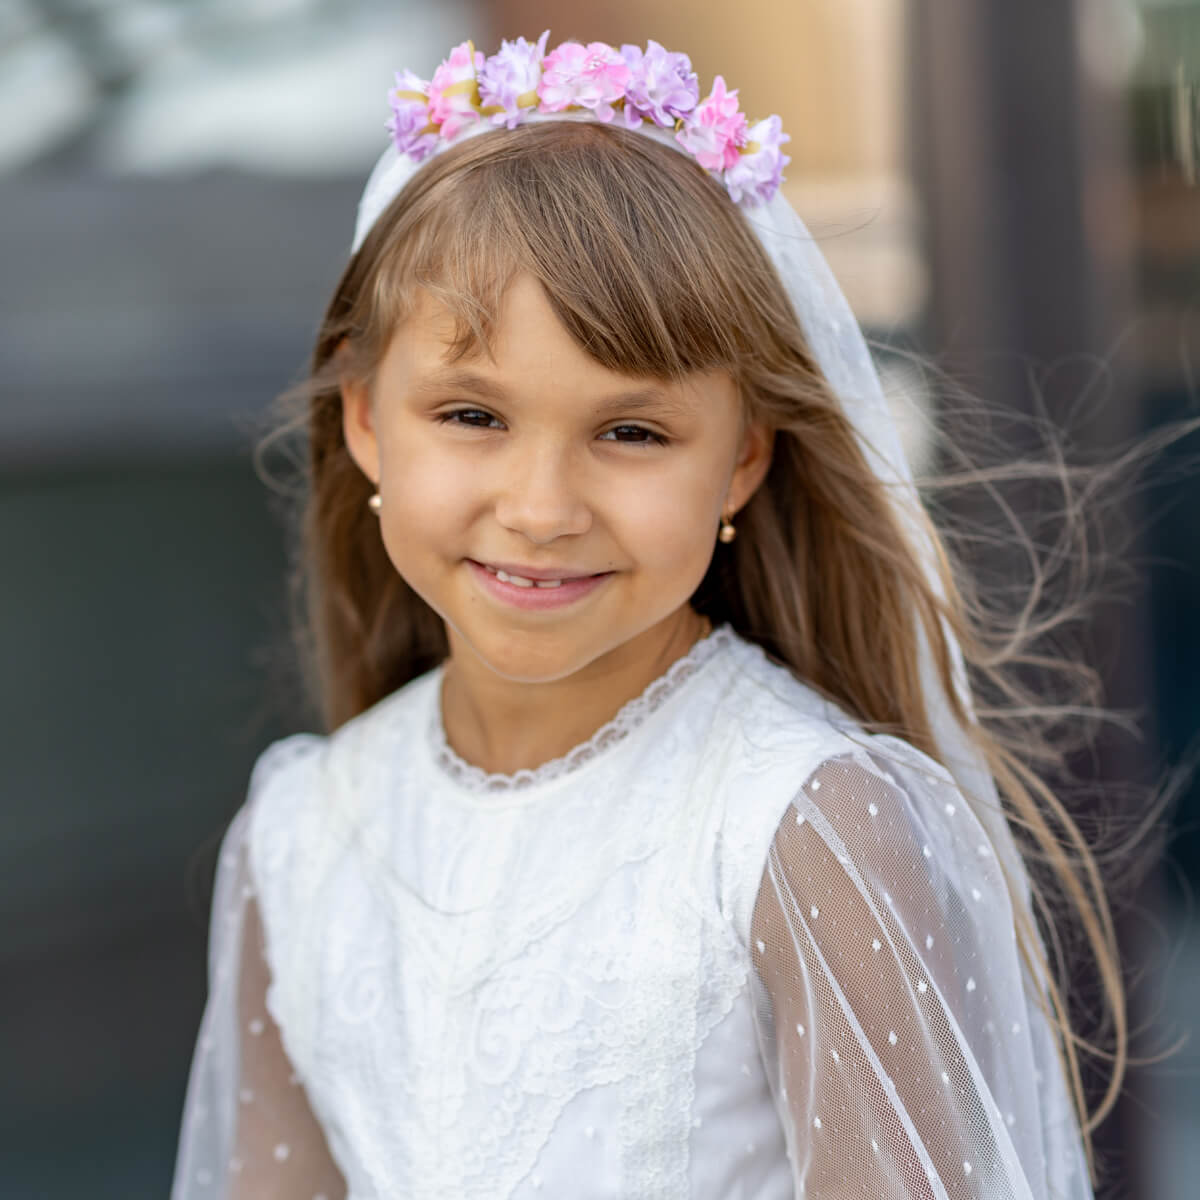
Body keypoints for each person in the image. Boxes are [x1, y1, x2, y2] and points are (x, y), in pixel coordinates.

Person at [171, 34, 1119, 1199]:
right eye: (472, 415)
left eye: (631, 434)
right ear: (368, 419)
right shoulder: (301, 836)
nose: (540, 507)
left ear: (741, 461)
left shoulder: (801, 824)